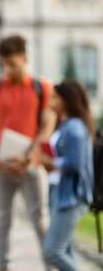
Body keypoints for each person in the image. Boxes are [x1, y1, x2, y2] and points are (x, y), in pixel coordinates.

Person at [0, 35, 55, 271]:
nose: (7, 69)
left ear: (25, 58)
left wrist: (30, 154)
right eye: (3, 63)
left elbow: (47, 124)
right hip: (1, 168)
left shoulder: (42, 87)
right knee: (3, 222)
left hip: (31, 165)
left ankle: (50, 266)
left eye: (12, 63)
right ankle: (3, 267)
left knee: (41, 221)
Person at [40, 80, 94, 271]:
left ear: (66, 100)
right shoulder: (64, 126)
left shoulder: (75, 129)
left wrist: (49, 162)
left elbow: (75, 163)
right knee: (66, 250)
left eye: (55, 97)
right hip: (59, 192)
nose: (50, 101)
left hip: (70, 197)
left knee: (53, 251)